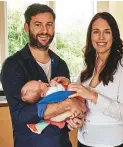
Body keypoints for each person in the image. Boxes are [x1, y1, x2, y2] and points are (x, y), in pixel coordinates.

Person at [1, 3, 86, 147]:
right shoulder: (13, 65)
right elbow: (20, 114)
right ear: (27, 28)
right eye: (38, 24)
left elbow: (67, 107)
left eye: (49, 24)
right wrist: (67, 105)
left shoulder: (61, 64)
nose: (44, 30)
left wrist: (73, 120)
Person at [57, 12, 123, 147]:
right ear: (90, 36)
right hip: (84, 141)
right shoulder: (89, 63)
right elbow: (80, 100)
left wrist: (93, 95)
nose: (101, 37)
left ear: (114, 36)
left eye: (106, 32)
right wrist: (77, 116)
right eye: (96, 32)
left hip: (112, 143)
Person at [20, 79, 85, 134]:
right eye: (39, 83)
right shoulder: (50, 92)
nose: (40, 80)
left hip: (59, 125)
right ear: (42, 94)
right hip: (67, 113)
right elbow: (61, 92)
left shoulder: (41, 101)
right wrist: (57, 84)